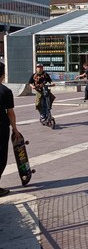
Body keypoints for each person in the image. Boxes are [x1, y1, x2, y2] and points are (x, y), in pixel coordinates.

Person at [0, 62, 19, 197]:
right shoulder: (5, 91)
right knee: (1, 157)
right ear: (3, 74)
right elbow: (10, 113)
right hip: (1, 128)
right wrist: (15, 129)